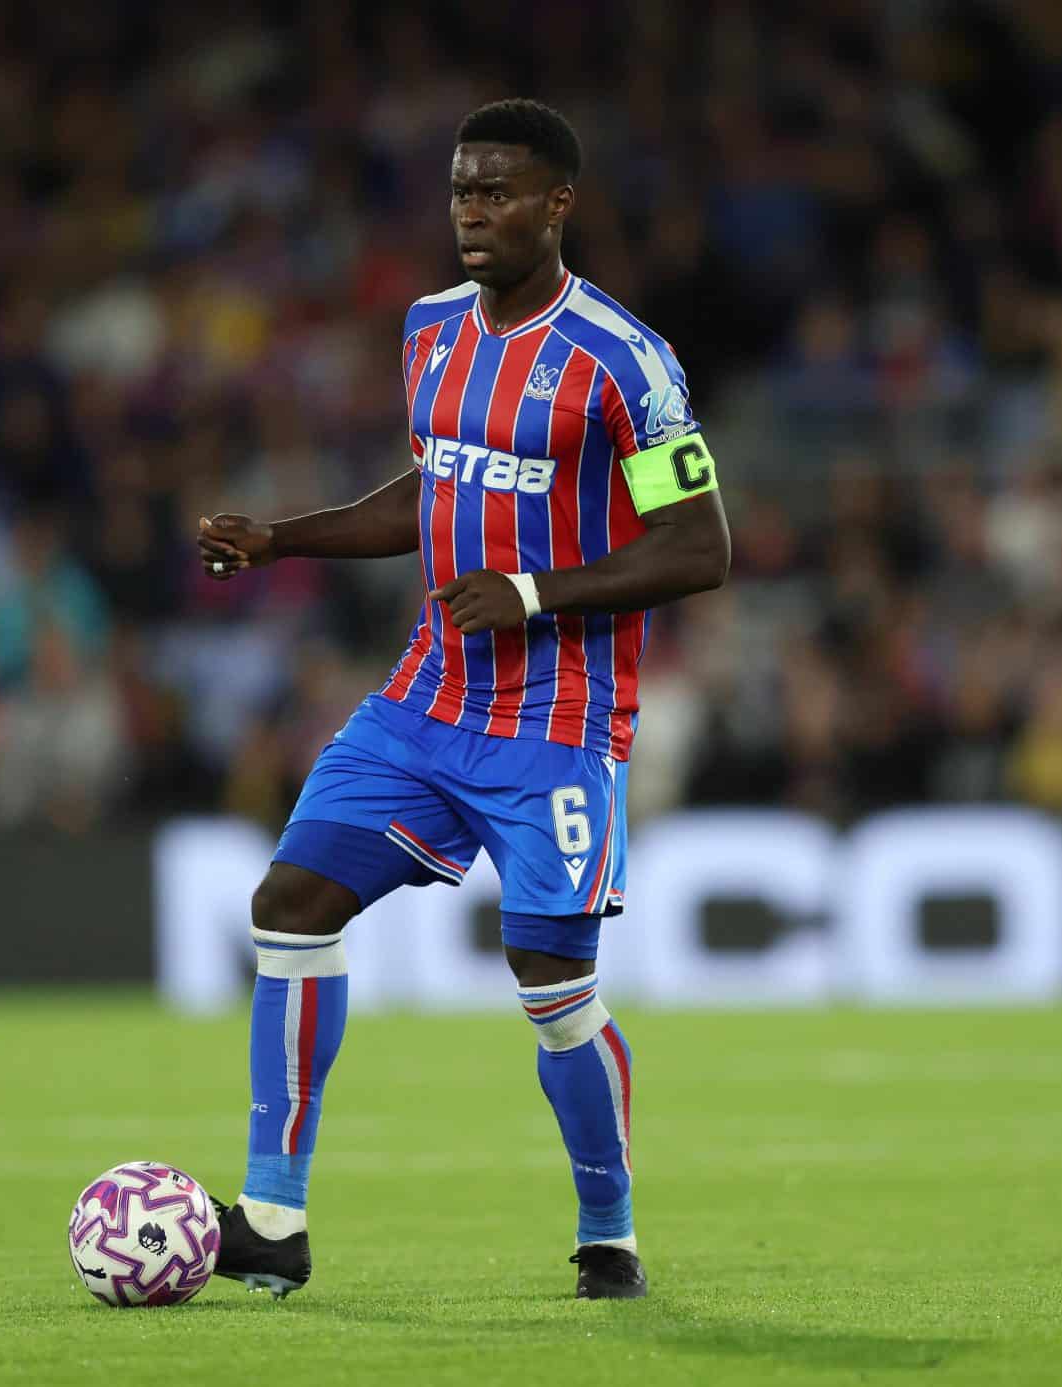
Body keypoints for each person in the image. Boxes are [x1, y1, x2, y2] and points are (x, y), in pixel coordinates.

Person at [194, 99, 731, 1301]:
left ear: (557, 205)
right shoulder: (430, 331)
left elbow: (700, 547)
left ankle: (610, 1230)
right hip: (422, 700)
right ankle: (273, 1219)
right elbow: (425, 490)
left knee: (550, 989)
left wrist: (536, 591)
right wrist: (280, 537)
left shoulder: (622, 362)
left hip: (556, 726)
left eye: (496, 192)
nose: (471, 213)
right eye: (457, 191)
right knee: (288, 902)